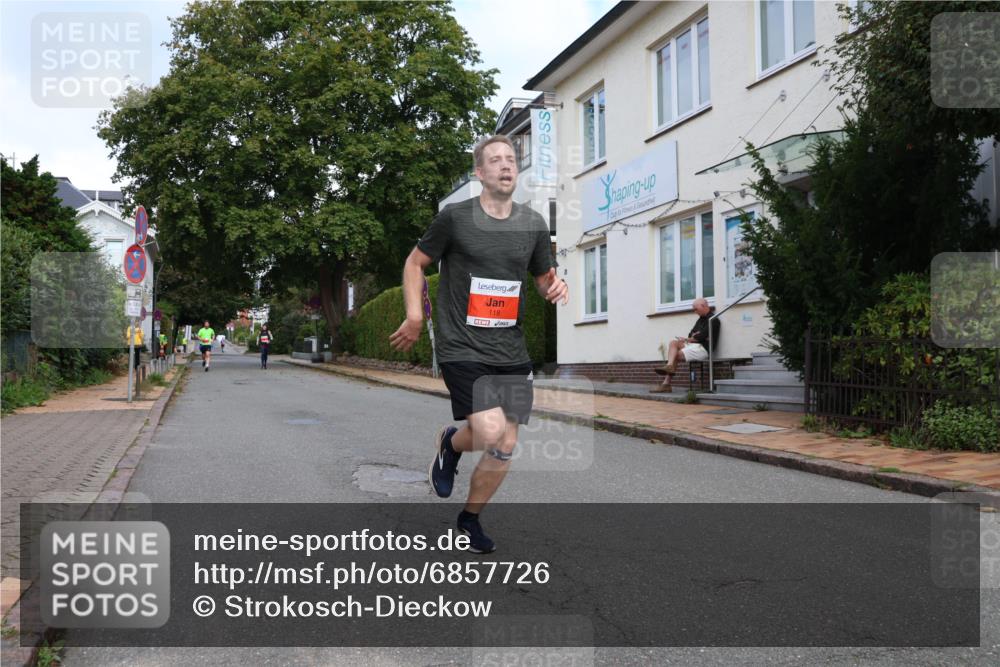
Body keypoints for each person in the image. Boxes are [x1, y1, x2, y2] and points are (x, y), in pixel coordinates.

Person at [389, 135, 568, 554]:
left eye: (511, 159)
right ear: (480, 173)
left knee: (505, 445)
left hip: (510, 349)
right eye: (496, 160)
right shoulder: (455, 219)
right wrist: (415, 315)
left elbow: (543, 280)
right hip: (461, 344)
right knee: (489, 430)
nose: (506, 165)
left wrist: (555, 288)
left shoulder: (534, 225)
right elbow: (415, 263)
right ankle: (452, 444)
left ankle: (469, 519)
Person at [651, 298, 720, 393]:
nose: (695, 311)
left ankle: (666, 384)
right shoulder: (700, 320)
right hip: (694, 345)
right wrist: (695, 337)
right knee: (673, 342)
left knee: (677, 354)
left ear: (703, 306)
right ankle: (669, 365)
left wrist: (695, 337)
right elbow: (691, 334)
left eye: (696, 309)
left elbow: (699, 337)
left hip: (703, 349)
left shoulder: (713, 320)